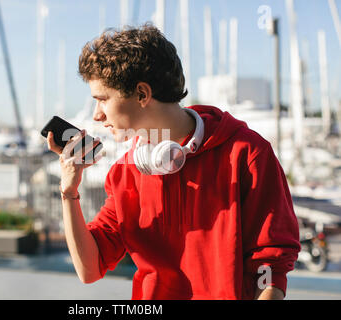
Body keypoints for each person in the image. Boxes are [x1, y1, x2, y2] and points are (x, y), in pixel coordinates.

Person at [46, 24, 300, 300]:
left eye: (102, 99)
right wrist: (69, 192)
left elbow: (270, 269)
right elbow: (89, 269)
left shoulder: (247, 153)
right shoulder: (125, 174)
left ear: (142, 94)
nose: (97, 115)